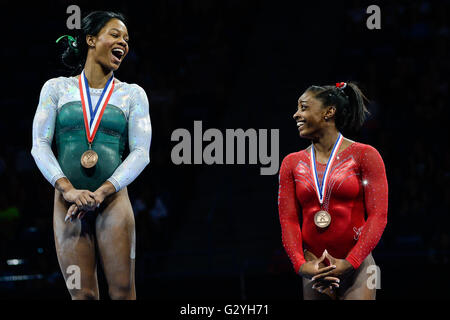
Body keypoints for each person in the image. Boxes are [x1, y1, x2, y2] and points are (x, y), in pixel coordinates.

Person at [31, 11, 152, 300]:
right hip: (67, 203)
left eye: (126, 38)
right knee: (82, 295)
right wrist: (68, 189)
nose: (123, 41)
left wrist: (102, 192)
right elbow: (39, 144)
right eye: (114, 34)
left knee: (123, 292)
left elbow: (141, 152)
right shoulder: (56, 88)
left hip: (113, 201)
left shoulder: (132, 94)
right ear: (91, 39)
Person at [277, 82, 388, 300]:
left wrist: (351, 262)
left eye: (304, 107)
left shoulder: (365, 155)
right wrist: (301, 265)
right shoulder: (291, 163)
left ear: (329, 111)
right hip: (315, 268)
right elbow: (288, 221)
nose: (296, 114)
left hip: (359, 266)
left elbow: (379, 216)